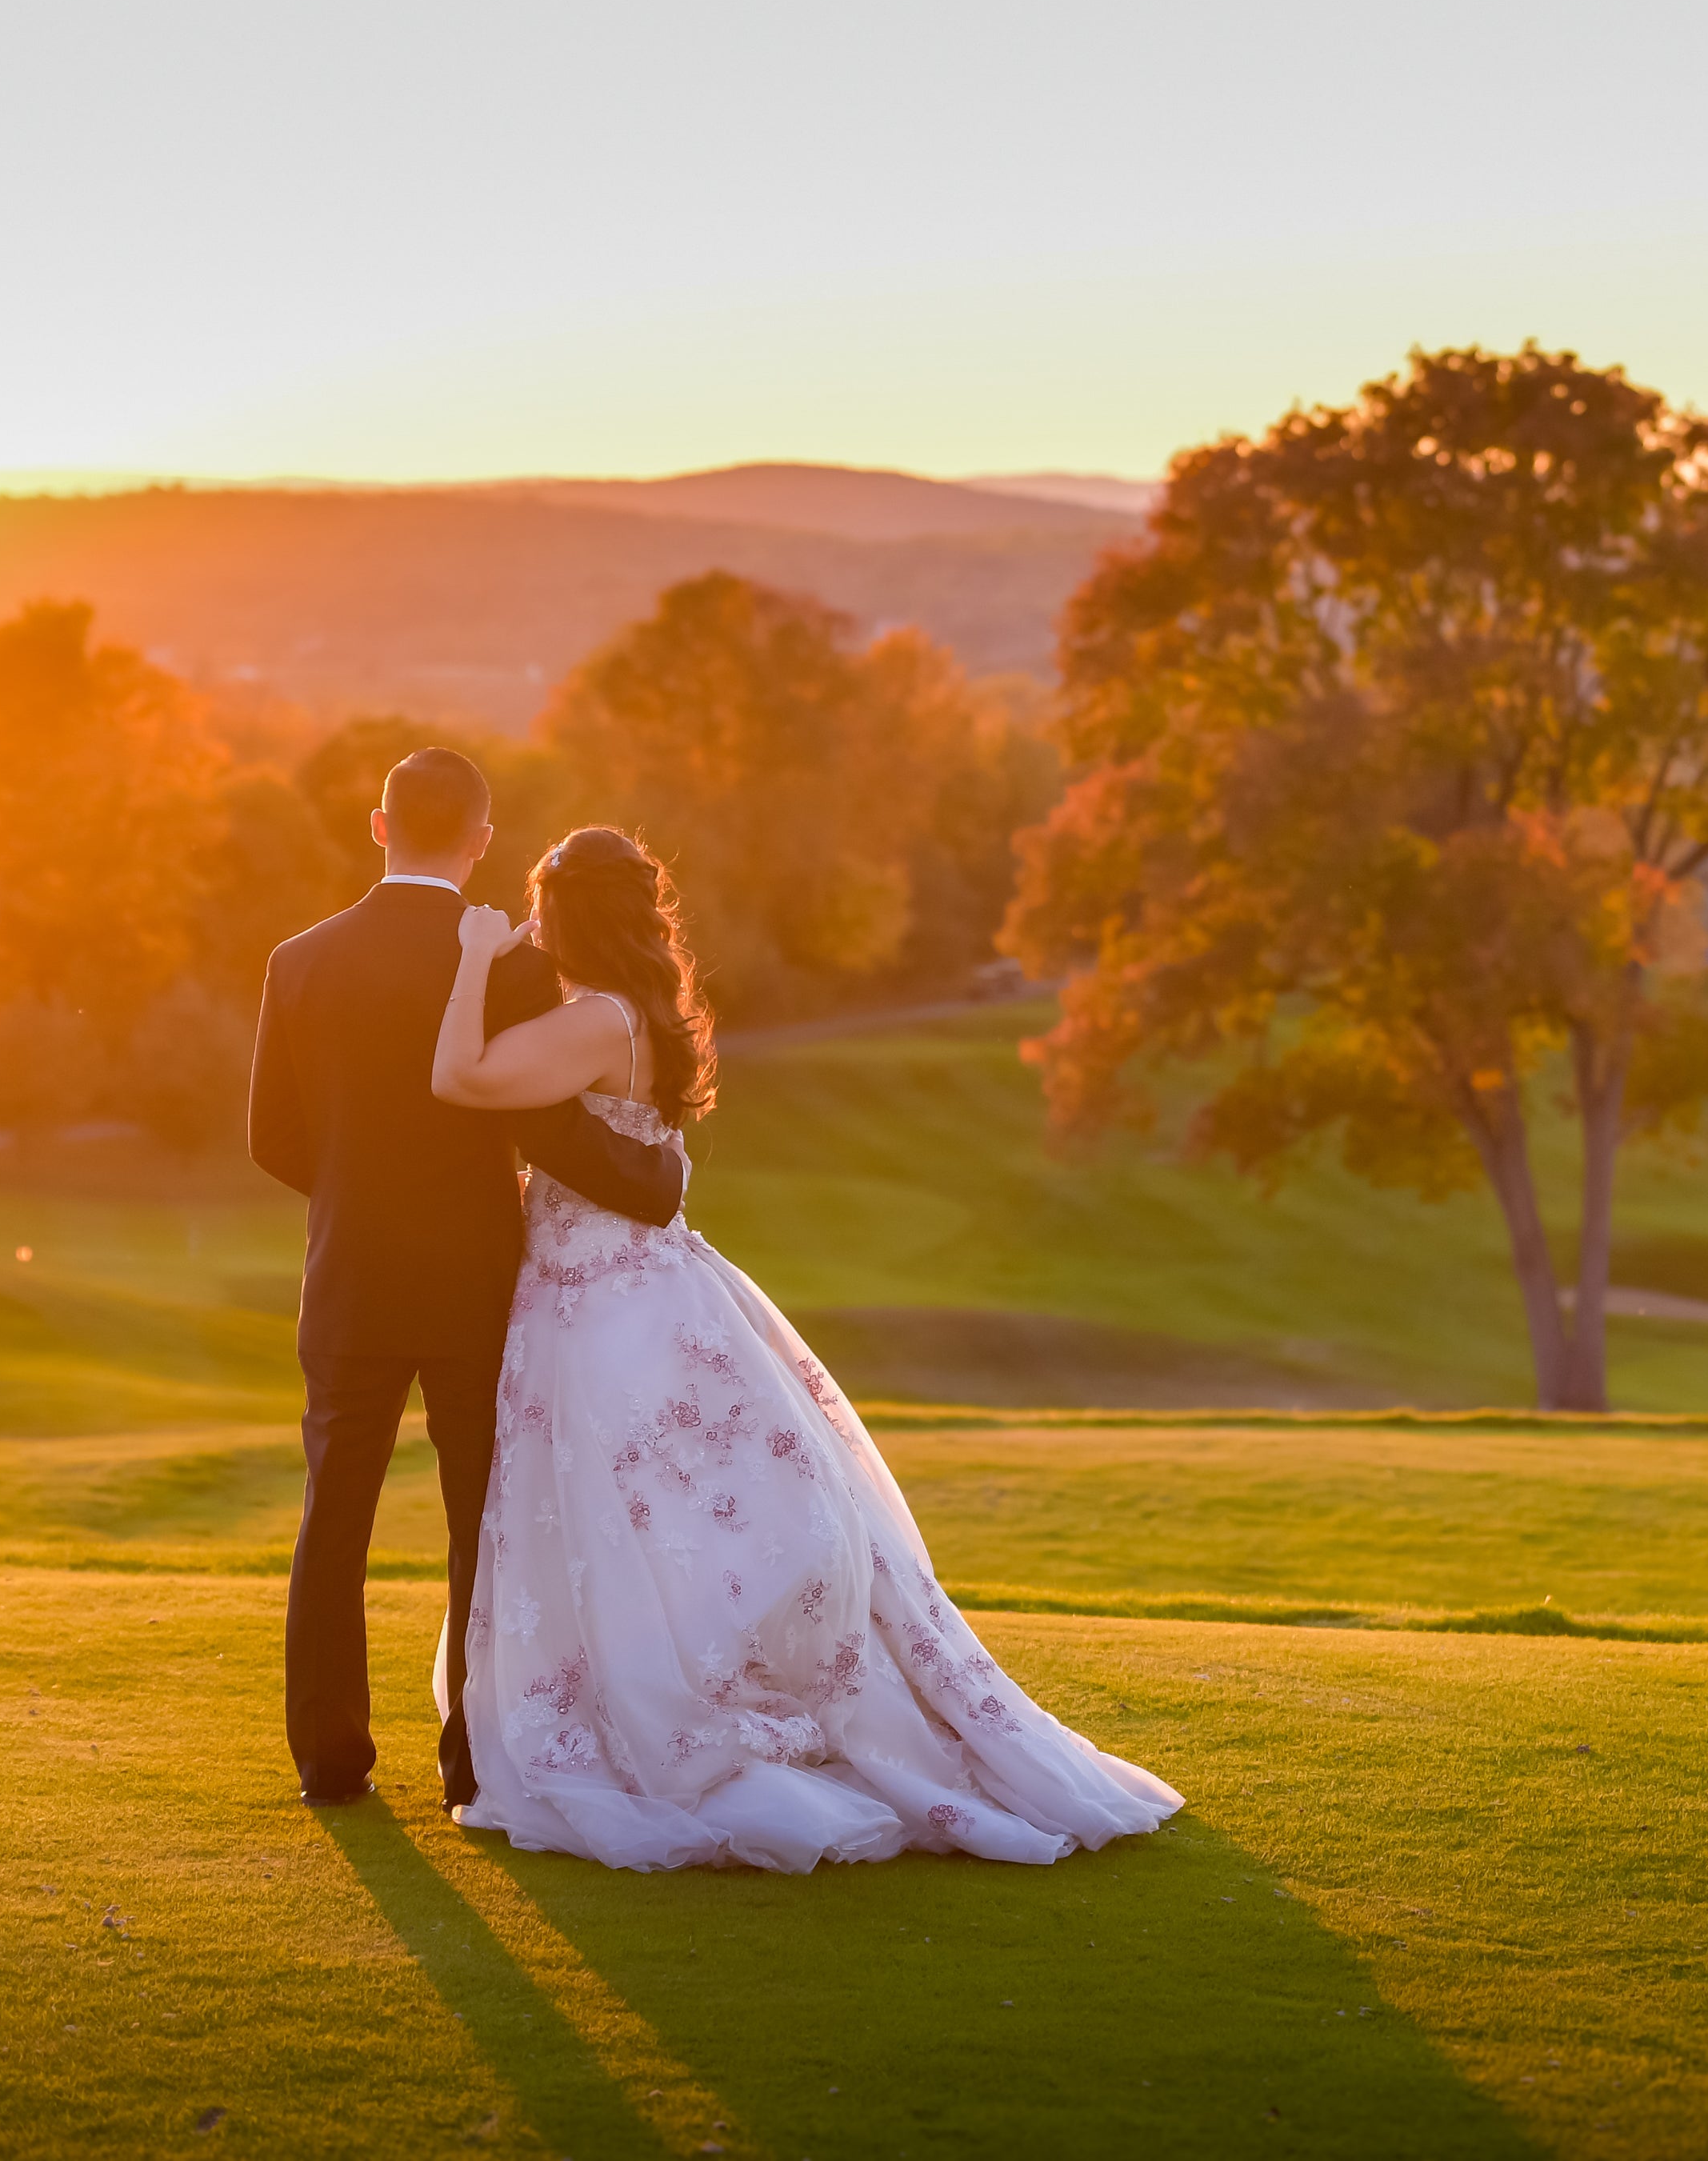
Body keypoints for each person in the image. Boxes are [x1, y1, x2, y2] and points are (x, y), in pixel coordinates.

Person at [425, 824, 1180, 1870]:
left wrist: (470, 957)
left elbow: (460, 1076)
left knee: (607, 1507)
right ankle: (690, 1688)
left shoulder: (593, 1021)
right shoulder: (641, 1014)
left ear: (578, 916)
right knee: (657, 1512)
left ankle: (658, 1718)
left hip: (589, 1308)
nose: (532, 924)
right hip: (644, 1286)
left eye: (544, 908)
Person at [247, 749, 690, 1811]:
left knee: (334, 1516)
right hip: (478, 1279)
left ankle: (330, 1760)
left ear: (377, 824)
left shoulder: (298, 961)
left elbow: (272, 1140)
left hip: (350, 1274)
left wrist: (358, 1194)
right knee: (480, 1519)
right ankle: (472, 1762)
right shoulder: (520, 968)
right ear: (481, 842)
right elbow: (543, 1115)